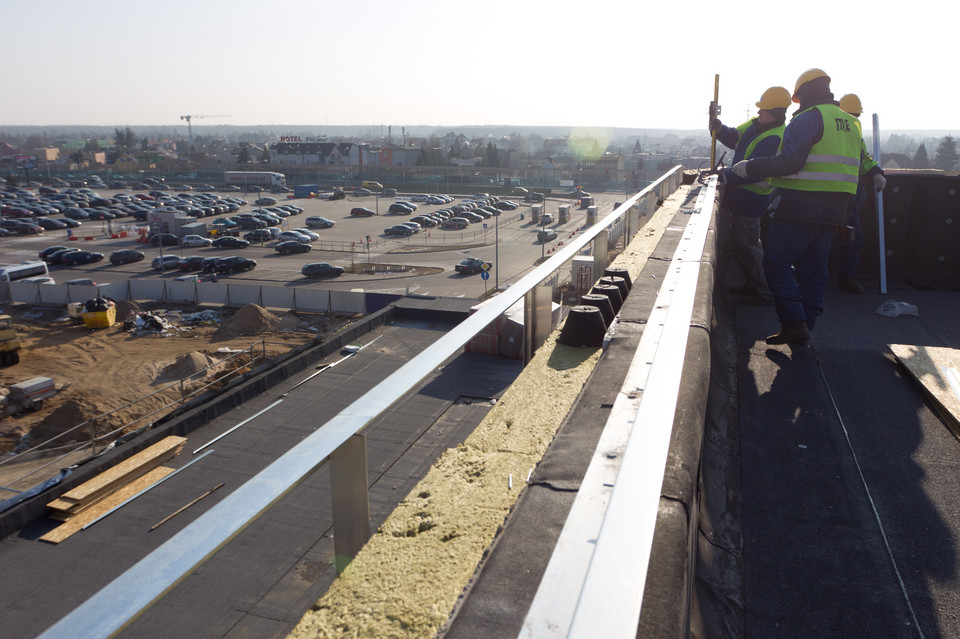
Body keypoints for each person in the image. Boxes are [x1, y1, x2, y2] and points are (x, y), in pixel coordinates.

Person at [731, 69, 863, 345]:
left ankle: (794, 321)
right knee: (815, 267)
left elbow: (791, 162)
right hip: (837, 207)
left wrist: (751, 167)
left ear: (802, 95)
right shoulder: (851, 122)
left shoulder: (808, 118)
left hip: (801, 204)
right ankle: (806, 325)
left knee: (776, 262)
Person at [709, 86, 791, 305]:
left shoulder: (775, 137)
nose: (758, 113)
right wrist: (719, 128)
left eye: (763, 110)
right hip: (739, 196)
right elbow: (735, 137)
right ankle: (752, 285)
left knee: (748, 245)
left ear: (774, 112)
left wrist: (721, 175)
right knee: (740, 245)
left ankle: (763, 292)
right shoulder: (755, 126)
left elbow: (751, 171)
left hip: (751, 199)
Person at [835, 93, 886, 293]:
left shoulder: (855, 134)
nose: (853, 119)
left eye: (856, 116)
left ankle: (846, 277)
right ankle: (807, 280)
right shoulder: (825, 132)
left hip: (850, 196)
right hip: (826, 195)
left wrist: (876, 173)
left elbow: (863, 159)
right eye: (851, 114)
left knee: (853, 238)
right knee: (815, 239)